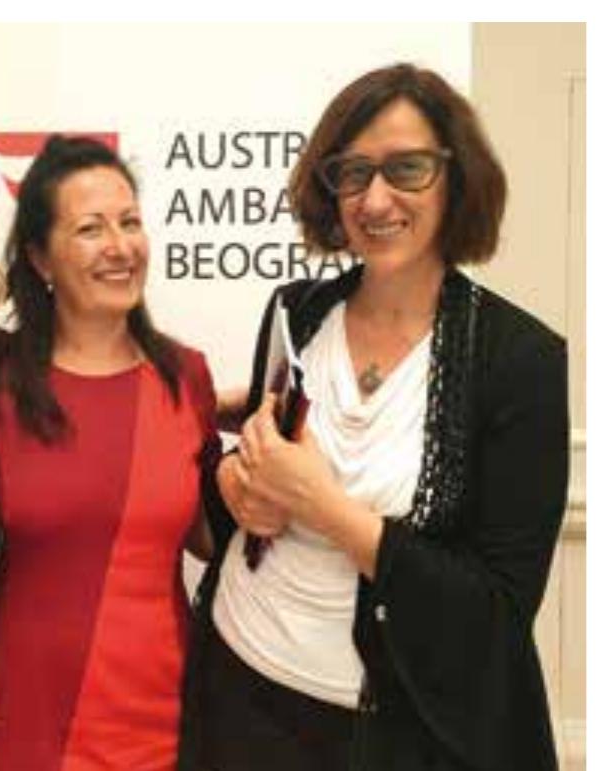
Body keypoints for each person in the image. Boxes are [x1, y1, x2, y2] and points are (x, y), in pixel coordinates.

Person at [178, 63, 569, 771]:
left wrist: (324, 506)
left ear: (457, 177)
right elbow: (257, 470)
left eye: (406, 168)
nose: (374, 198)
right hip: (234, 685)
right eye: (351, 173)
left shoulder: (521, 361)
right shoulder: (296, 309)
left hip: (392, 732)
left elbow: (495, 618)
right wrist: (236, 479)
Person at [0, 135, 221, 770]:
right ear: (40, 257)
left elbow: (206, 539)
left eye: (130, 222)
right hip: (23, 725)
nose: (120, 247)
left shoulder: (184, 376)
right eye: (90, 228)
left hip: (162, 723)